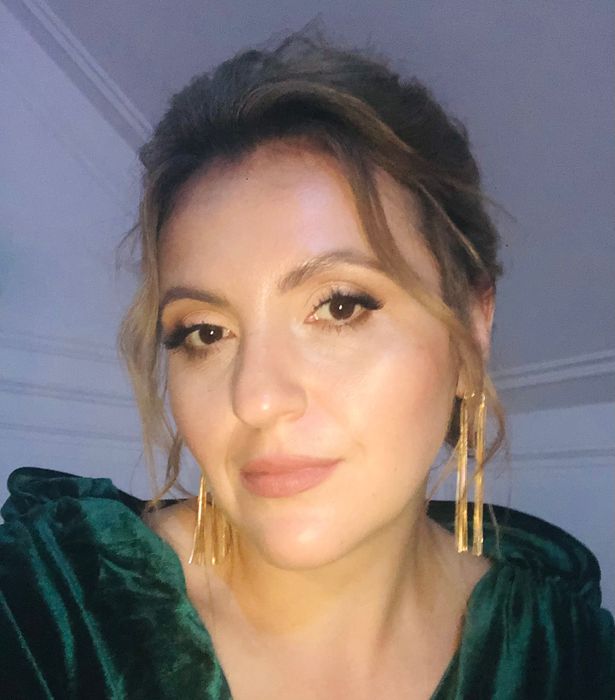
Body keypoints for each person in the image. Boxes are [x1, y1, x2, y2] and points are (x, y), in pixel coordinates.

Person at [1, 25, 613, 700]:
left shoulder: (564, 650)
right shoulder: (49, 611)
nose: (256, 399)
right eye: (206, 332)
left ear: (470, 329)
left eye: (340, 307)